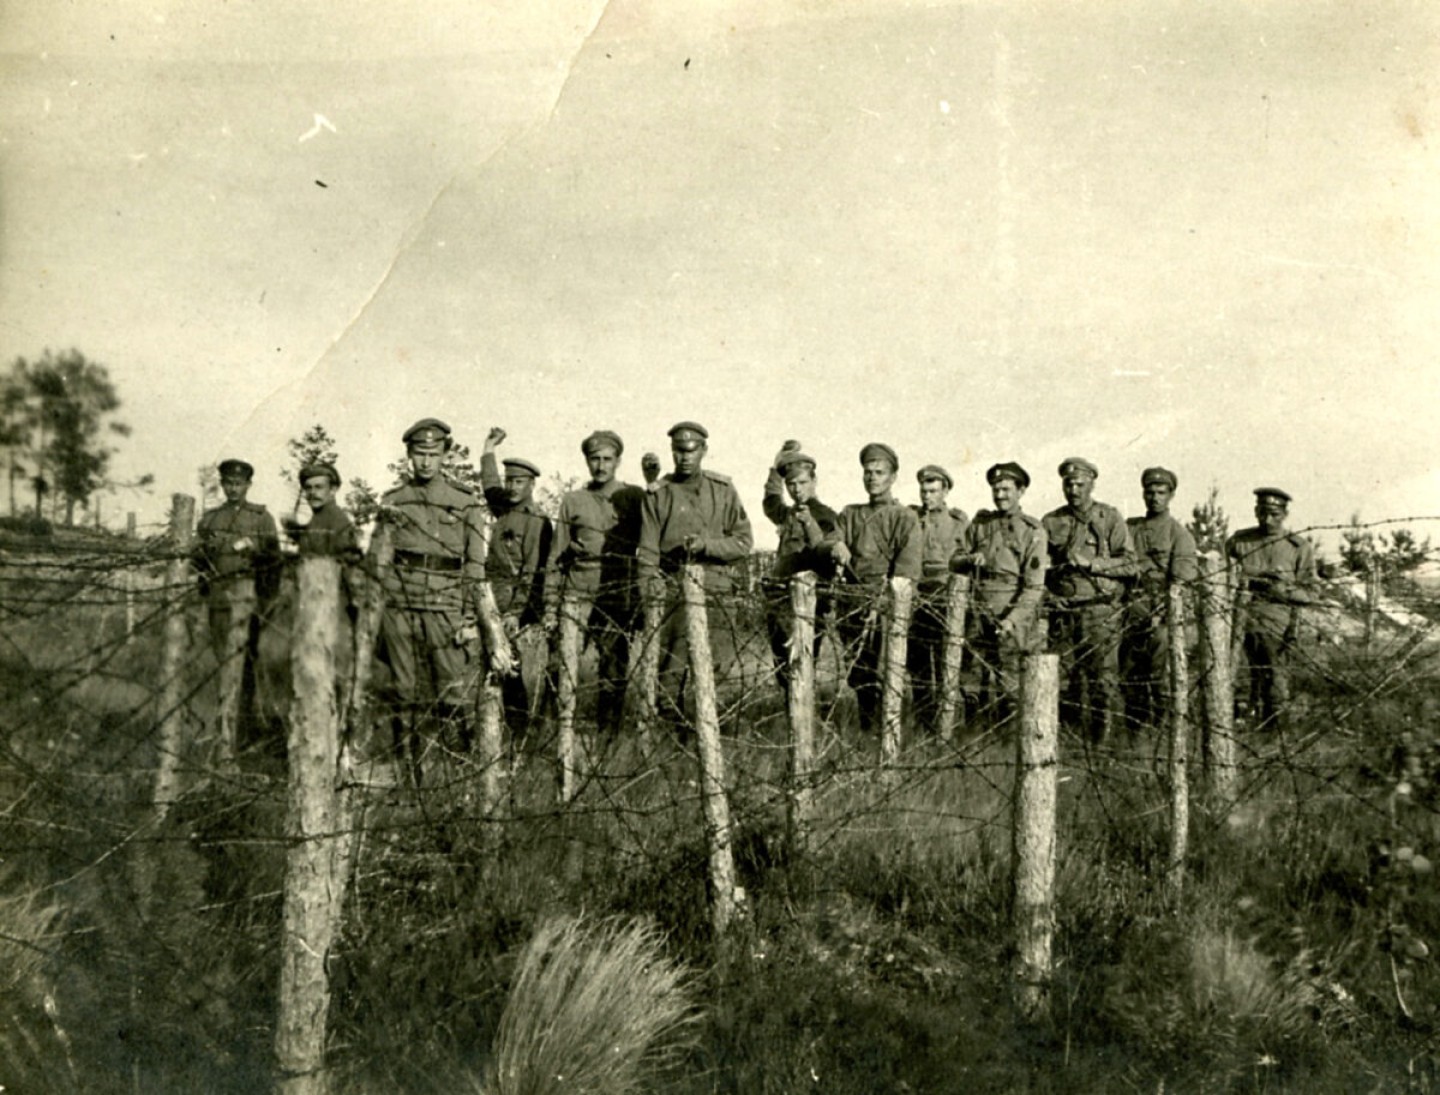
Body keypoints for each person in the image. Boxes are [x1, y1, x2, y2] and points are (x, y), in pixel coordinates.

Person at [374, 418, 511, 784]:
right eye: (419, 454)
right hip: (401, 605)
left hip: (446, 606)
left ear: (445, 455)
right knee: (404, 691)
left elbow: (475, 563)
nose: (426, 462)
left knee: (451, 691)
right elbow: (380, 561)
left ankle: (457, 774)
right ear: (409, 455)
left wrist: (470, 618)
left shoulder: (463, 502)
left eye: (433, 454)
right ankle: (409, 774)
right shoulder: (393, 501)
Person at [637, 421, 753, 726]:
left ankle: (717, 735)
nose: (684, 457)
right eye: (678, 451)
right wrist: (648, 597)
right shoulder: (658, 494)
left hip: (717, 591)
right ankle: (670, 740)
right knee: (670, 672)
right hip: (673, 591)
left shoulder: (723, 491)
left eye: (691, 450)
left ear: (704, 450)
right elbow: (647, 552)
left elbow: (743, 542)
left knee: (719, 672)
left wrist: (706, 546)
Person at [548, 429, 647, 740]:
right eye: (595, 459)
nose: (601, 466)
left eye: (607, 459)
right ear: (587, 461)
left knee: (614, 670)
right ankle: (556, 735)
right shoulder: (573, 500)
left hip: (617, 593)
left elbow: (650, 542)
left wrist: (641, 598)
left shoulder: (634, 497)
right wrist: (551, 605)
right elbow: (555, 556)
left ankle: (609, 738)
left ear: (618, 461)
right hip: (578, 592)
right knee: (562, 664)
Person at [824, 443, 922, 733]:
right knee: (858, 672)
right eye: (868, 472)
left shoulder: (905, 517)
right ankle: (868, 731)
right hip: (853, 602)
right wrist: (836, 544)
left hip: (886, 604)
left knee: (885, 671)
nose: (872, 478)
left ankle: (888, 733)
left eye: (879, 472)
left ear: (893, 477)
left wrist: (885, 605)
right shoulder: (850, 513)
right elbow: (832, 537)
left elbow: (907, 568)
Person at [193, 457, 280, 765]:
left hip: (251, 606)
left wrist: (266, 603)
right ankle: (224, 733)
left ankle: (244, 731)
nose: (233, 488)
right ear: (223, 484)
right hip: (219, 603)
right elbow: (198, 563)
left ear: (248, 485)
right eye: (228, 483)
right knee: (223, 665)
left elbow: (273, 564)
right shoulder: (209, 520)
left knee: (246, 670)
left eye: (239, 484)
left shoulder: (262, 519)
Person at [1042, 457, 1136, 744]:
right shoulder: (1051, 522)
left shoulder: (1109, 518)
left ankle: (1104, 744)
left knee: (1102, 680)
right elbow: (1038, 570)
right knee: (1062, 678)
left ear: (1092, 484)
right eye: (1068, 484)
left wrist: (1093, 563)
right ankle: (1065, 741)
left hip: (1100, 610)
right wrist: (1047, 597)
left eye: (1080, 484)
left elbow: (1131, 565)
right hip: (1064, 612)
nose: (1074, 490)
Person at [949, 462, 1046, 722]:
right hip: (978, 611)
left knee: (1010, 683)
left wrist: (1012, 620)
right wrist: (969, 559)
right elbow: (954, 560)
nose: (1000, 495)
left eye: (1006, 489)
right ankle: (972, 738)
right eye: (996, 489)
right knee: (971, 680)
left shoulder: (1032, 531)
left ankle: (1006, 743)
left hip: (1012, 614)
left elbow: (1034, 587)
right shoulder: (981, 525)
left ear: (1021, 491)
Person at [481, 428, 554, 744]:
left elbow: (532, 571)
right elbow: (489, 485)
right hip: (491, 600)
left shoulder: (536, 521)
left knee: (511, 668)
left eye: (519, 482)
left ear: (531, 485)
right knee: (490, 664)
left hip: (514, 607)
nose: (512, 486)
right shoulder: (503, 508)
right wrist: (487, 449)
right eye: (510, 480)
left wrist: (515, 612)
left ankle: (521, 733)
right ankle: (495, 727)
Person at [1226, 487, 1315, 729]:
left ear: (1285, 514)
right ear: (1256, 511)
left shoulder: (1298, 548)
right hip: (1238, 619)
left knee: (1275, 677)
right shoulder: (1240, 542)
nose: (1268, 519)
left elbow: (1310, 593)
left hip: (1277, 622)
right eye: (1263, 512)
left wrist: (1281, 591)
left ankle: (1274, 729)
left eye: (1274, 514)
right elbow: (1221, 580)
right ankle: (1239, 722)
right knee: (1239, 674)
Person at [1120, 467, 1198, 733]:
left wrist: (1161, 613)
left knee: (1159, 676)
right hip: (1128, 610)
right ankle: (1135, 733)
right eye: (1149, 492)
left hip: (1161, 614)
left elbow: (1181, 580)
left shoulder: (1179, 534)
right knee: (1129, 676)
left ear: (1171, 495)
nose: (1154, 497)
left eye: (1160, 493)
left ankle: (1162, 730)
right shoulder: (1130, 528)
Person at [760, 441, 838, 701]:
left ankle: (805, 716)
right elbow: (771, 502)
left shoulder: (825, 516)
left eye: (803, 483)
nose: (797, 489)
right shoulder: (787, 514)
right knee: (783, 664)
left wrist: (810, 526)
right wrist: (775, 464)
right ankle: (792, 714)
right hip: (780, 598)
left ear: (814, 482)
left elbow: (826, 553)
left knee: (804, 661)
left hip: (809, 601)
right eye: (791, 484)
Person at [908, 464, 970, 733]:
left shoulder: (958, 522)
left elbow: (966, 559)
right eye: (924, 490)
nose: (927, 495)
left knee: (950, 663)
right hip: (916, 599)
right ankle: (924, 723)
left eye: (933, 490)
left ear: (945, 491)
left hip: (947, 600)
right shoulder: (911, 518)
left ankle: (950, 723)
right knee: (919, 666)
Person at [282, 462, 359, 559]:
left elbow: (341, 564)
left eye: (319, 487)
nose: (312, 493)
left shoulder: (337, 520)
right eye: (308, 488)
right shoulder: (319, 517)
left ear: (333, 490)